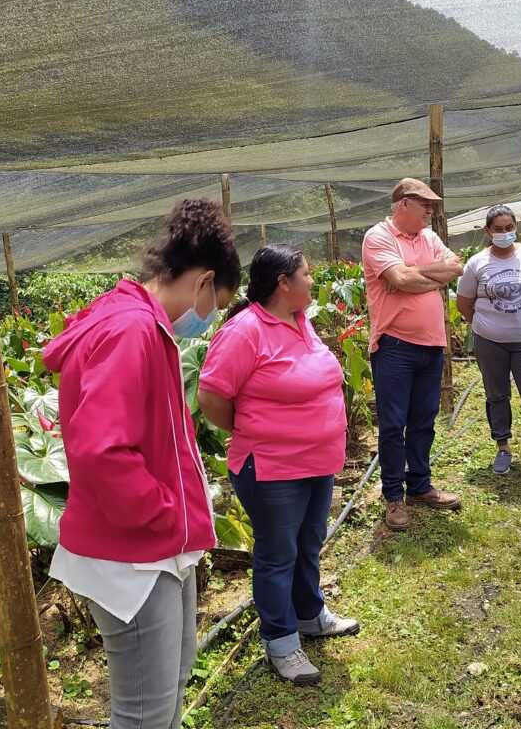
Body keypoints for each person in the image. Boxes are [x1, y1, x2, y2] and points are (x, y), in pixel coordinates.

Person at [43, 198, 241, 729]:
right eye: (217, 303)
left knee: (169, 687)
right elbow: (102, 450)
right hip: (133, 554)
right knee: (142, 713)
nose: (211, 318)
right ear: (202, 282)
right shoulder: (131, 331)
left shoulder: (140, 324)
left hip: (155, 548)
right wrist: (163, 513)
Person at [197, 245, 359, 686]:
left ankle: (310, 615)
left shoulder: (300, 320)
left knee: (309, 541)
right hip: (270, 467)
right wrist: (254, 429)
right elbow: (211, 397)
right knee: (277, 553)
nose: (313, 279)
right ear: (283, 283)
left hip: (316, 461)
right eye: (306, 274)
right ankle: (281, 641)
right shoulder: (246, 330)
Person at [362, 178, 464, 532]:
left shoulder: (430, 238)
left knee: (424, 417)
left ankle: (419, 485)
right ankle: (393, 495)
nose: (431, 211)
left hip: (431, 344)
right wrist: (427, 277)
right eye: (425, 204)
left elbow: (454, 267)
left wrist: (413, 273)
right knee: (393, 424)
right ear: (403, 204)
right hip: (394, 346)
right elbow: (399, 280)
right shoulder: (378, 237)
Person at [456, 204, 521, 475]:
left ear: (516, 227)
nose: (504, 233)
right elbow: (464, 303)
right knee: (497, 394)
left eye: (509, 228)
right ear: (488, 231)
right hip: (490, 341)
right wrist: (484, 324)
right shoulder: (477, 263)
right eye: (498, 229)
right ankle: (503, 448)